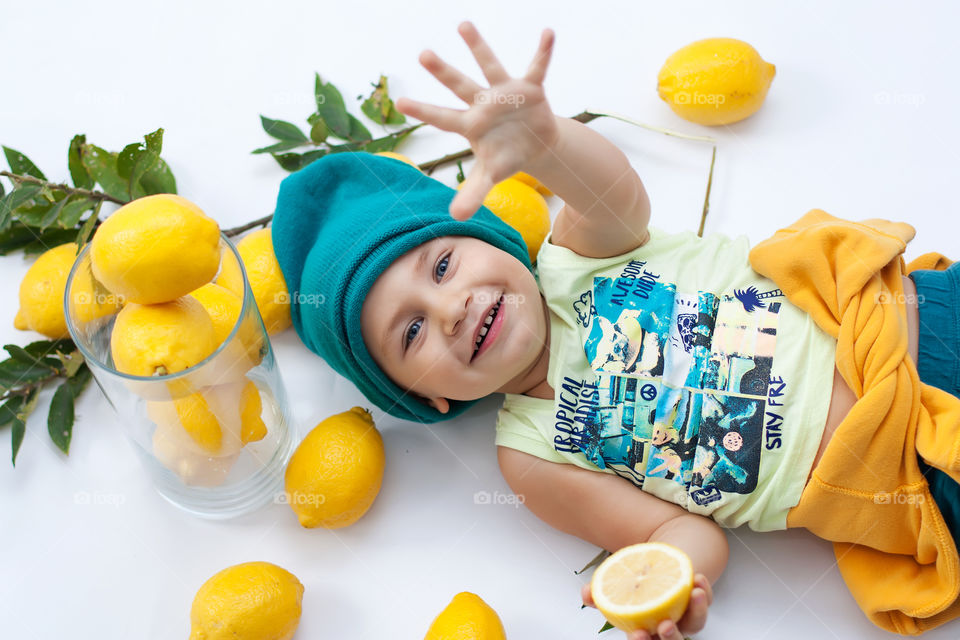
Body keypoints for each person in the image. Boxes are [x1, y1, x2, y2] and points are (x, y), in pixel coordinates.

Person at [270, 21, 960, 639]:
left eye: (443, 263)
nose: (448, 308)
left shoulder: (578, 255)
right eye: (410, 331)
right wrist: (670, 591)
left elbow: (615, 187)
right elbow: (678, 530)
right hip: (903, 480)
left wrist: (545, 143)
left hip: (911, 329)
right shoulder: (530, 456)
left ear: (495, 238)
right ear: (424, 400)